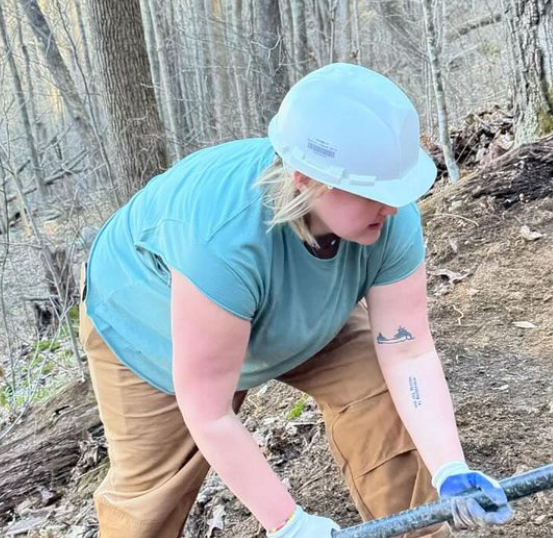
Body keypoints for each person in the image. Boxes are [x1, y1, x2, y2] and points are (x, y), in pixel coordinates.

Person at [78, 63, 513, 537]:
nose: (392, 206)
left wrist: (450, 468)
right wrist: (288, 523)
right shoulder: (222, 241)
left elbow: (408, 350)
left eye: (396, 189)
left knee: (376, 394)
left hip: (300, 305)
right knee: (150, 502)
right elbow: (209, 410)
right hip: (151, 319)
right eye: (373, 192)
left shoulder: (389, 218)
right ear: (306, 178)